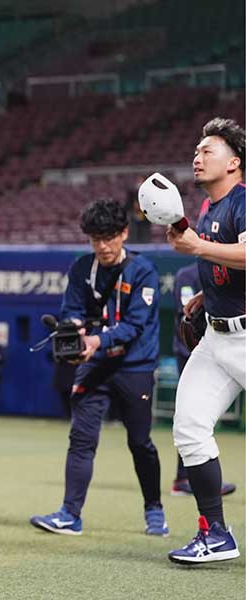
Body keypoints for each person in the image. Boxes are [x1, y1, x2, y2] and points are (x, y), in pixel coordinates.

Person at [30, 199, 167, 537]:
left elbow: (135, 325)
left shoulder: (143, 270)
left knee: (140, 442)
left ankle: (154, 509)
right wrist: (75, 331)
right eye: (95, 239)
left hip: (135, 366)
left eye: (109, 237)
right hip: (94, 365)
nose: (103, 246)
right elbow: (72, 310)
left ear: (124, 233)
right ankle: (69, 514)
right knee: (81, 439)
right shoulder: (80, 269)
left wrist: (95, 341)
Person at [165, 118, 245, 565]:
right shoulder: (208, 207)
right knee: (190, 428)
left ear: (234, 162)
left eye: (208, 150)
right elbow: (223, 262)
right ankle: (215, 533)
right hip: (216, 339)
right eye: (195, 150)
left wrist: (197, 249)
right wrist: (203, 295)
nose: (197, 156)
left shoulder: (244, 201)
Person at [169, 262, 236, 498]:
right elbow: (186, 311)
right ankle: (183, 477)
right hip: (190, 350)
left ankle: (196, 478)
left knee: (199, 419)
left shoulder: (229, 269)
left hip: (221, 344)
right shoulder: (186, 274)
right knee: (191, 416)